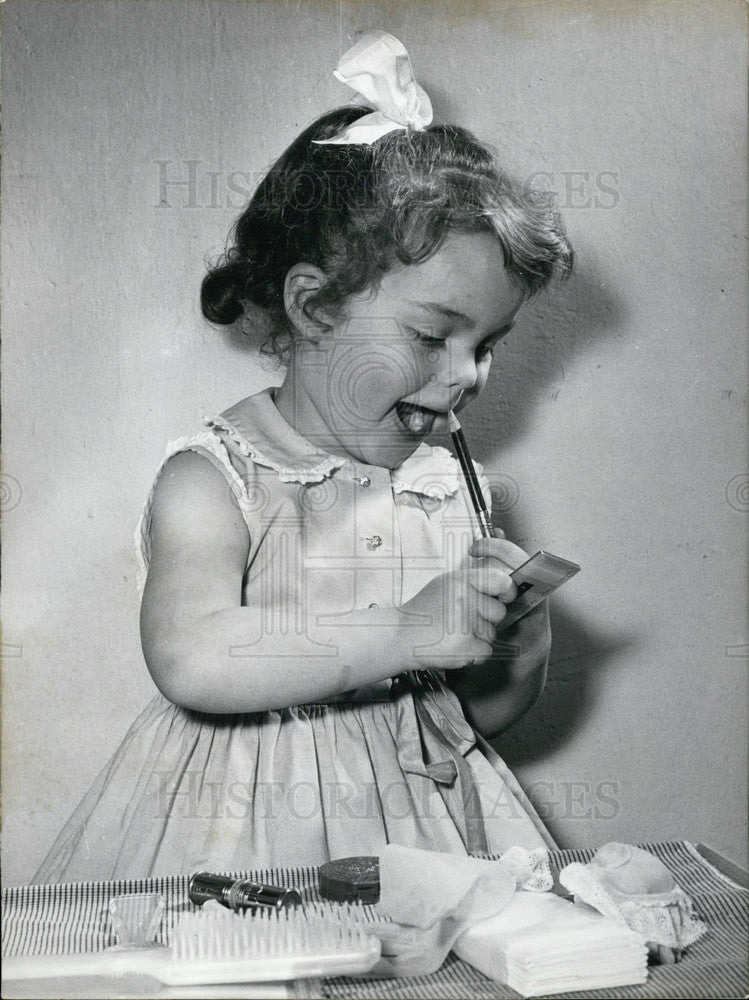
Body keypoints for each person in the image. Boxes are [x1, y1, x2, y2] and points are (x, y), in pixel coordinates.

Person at [34, 32, 573, 882]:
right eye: (434, 334)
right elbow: (194, 657)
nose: (468, 375)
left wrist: (515, 646)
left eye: (488, 342)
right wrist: (406, 627)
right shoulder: (217, 478)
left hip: (423, 845)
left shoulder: (441, 493)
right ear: (315, 308)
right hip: (237, 843)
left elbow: (472, 724)